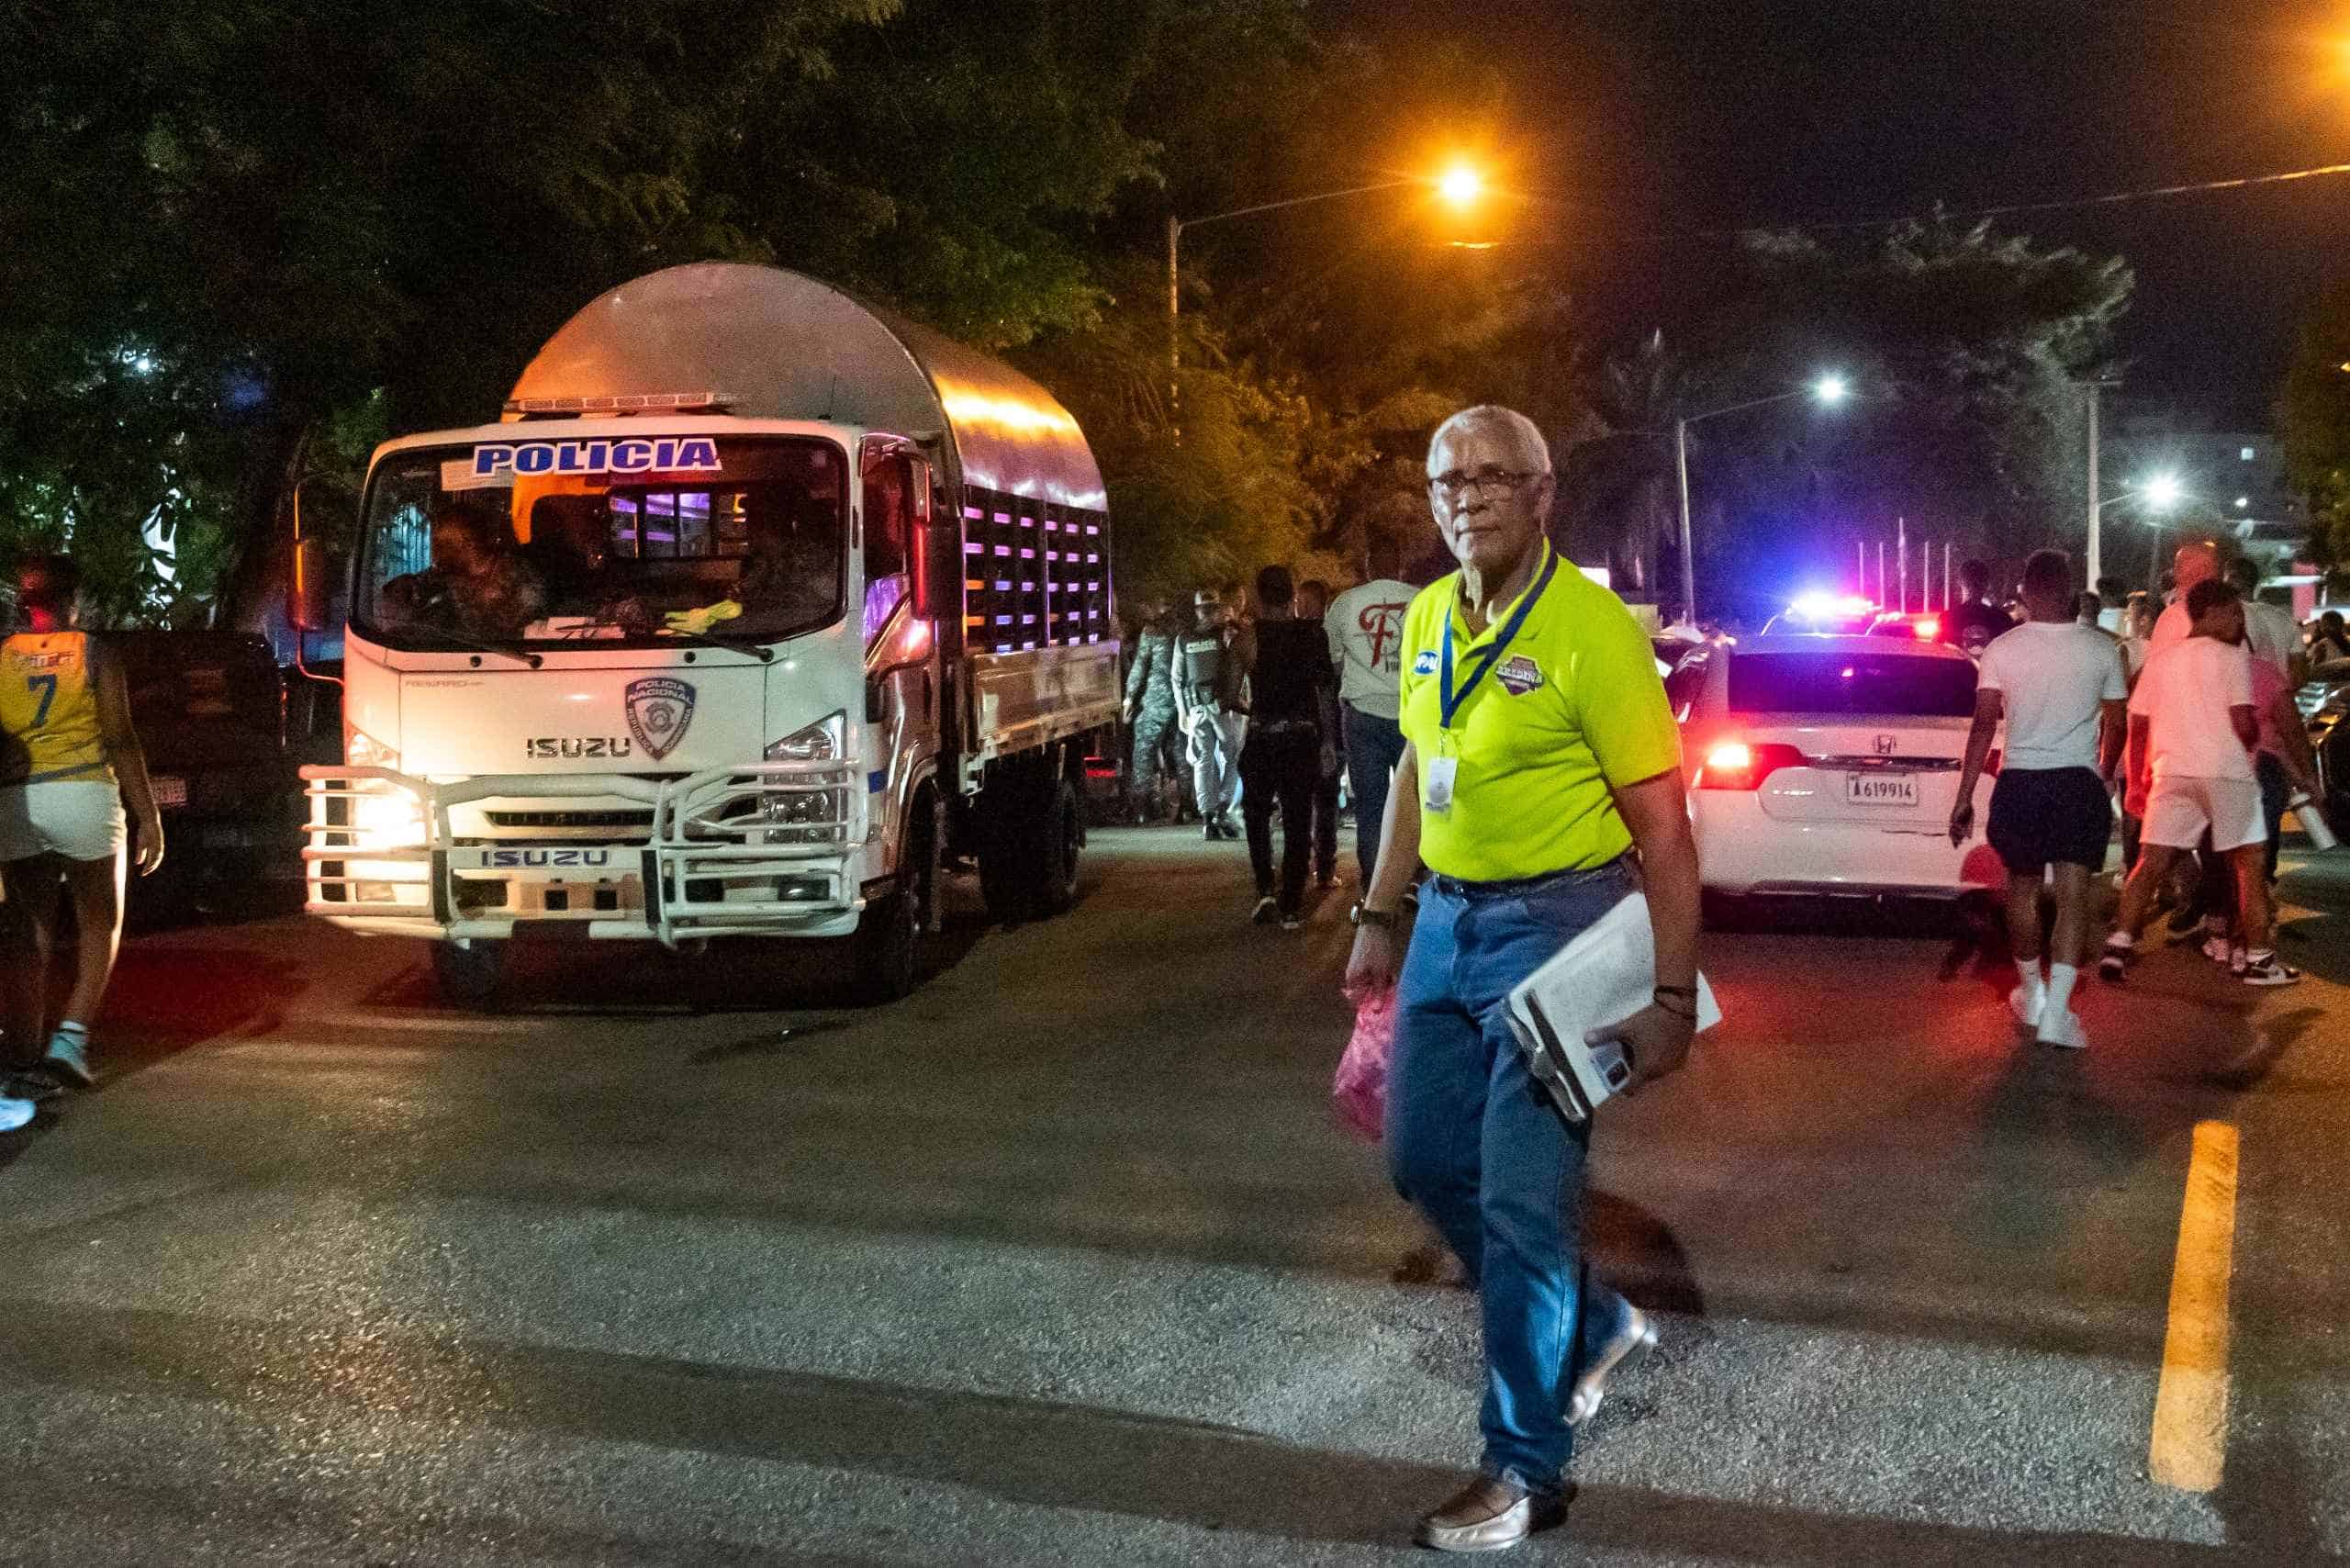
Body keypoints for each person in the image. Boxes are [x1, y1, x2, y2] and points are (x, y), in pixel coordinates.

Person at [1345, 406, 1699, 1552]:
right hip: (1446, 924)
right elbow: (1414, 767)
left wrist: (1672, 996)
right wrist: (1377, 911)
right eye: (1448, 479)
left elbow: (1666, 832)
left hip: (1562, 930)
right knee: (1420, 1160)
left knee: (1524, 1203)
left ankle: (1522, 1469)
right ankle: (1594, 1323)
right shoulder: (1436, 613)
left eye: (1494, 476)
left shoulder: (1594, 633)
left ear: (1544, 493)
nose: (1467, 496)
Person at [1, 554, 167, 1114]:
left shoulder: (0, 654)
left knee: (30, 935)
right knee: (101, 921)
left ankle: (22, 1065)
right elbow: (121, 738)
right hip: (83, 795)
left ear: (25, 603)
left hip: (17, 801)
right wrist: (150, 814)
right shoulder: (95, 652)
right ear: (74, 599)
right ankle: (70, 1039)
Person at [1950, 550, 2127, 1048]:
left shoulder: (2002, 650)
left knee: (2021, 894)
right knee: (2073, 897)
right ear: (2069, 590)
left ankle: (2033, 996)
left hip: (2021, 780)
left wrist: (1963, 798)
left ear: (2025, 590)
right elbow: (2117, 723)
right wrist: (2106, 774)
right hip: (2076, 781)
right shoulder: (2102, 649)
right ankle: (2058, 1014)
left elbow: (1984, 725)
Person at [2101, 579, 2296, 986]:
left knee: (2149, 863)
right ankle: (2260, 959)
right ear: (2211, 612)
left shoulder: (2160, 662)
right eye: (2234, 613)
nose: (2239, 621)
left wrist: (2138, 779)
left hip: (2172, 772)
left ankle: (2119, 944)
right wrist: (2250, 743)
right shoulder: (2231, 658)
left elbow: (2139, 725)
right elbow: (2242, 720)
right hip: (2227, 773)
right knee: (2249, 865)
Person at [1235, 566, 1337, 928]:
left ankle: (1265, 889)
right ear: (1293, 594)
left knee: (1256, 815)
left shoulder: (1248, 639)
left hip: (1263, 736)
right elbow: (1325, 692)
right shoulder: (1314, 636)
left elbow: (1226, 691)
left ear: (1259, 595)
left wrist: (1248, 706)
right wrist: (1328, 740)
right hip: (1302, 736)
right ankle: (1292, 903)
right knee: (1297, 820)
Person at [1326, 534, 1418, 886]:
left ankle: (1375, 885)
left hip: (1362, 714)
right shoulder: (1421, 600)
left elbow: (1333, 662)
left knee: (1371, 806)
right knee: (1414, 803)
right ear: (1399, 566)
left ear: (1367, 567)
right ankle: (1411, 881)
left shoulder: (1345, 604)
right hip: (1410, 715)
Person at [382, 502, 548, 640]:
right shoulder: (449, 572)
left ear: (466, 544)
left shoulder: (519, 576)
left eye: (441, 545)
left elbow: (502, 635)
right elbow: (399, 594)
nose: (434, 553)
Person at [1174, 588, 1246, 840]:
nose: (1208, 613)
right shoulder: (1223, 635)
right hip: (1218, 708)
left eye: (1210, 609)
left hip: (1198, 709)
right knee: (1233, 755)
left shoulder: (1185, 638)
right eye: (1206, 609)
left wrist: (1183, 712)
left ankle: (1209, 817)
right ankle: (1220, 810)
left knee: (1205, 760)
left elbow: (1176, 678)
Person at [1295, 578, 1343, 888]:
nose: (1302, 607)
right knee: (1322, 800)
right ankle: (1323, 869)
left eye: (1307, 602)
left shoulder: (1316, 636)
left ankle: (1310, 867)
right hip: (1318, 729)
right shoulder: (1325, 636)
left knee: (1310, 801)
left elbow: (1325, 689)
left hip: (1311, 729)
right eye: (1300, 602)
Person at [1122, 599, 1182, 824]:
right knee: (1180, 753)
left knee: (1143, 752)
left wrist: (1129, 699)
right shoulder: (1183, 630)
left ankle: (1142, 809)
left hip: (1156, 700)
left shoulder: (1151, 632)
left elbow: (1140, 666)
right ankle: (1186, 807)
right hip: (1181, 700)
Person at [1947, 559, 2014, 656]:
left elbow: (1939, 656)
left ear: (1960, 582)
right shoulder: (2003, 619)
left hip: (1959, 671)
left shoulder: (1948, 619)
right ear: (1987, 584)